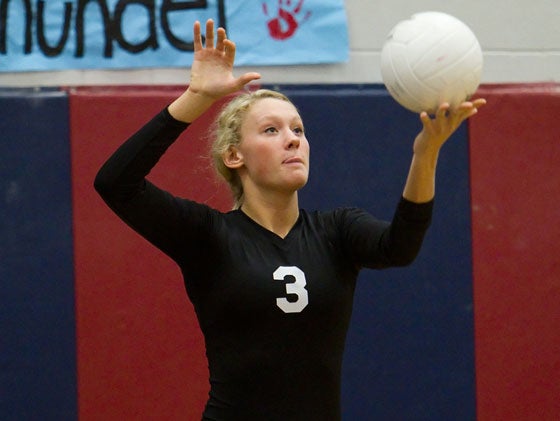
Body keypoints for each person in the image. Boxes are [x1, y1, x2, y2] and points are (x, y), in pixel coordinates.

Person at [94, 19, 485, 421]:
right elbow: (115, 183)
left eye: (298, 129)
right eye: (271, 130)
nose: (293, 138)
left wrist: (426, 152)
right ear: (234, 156)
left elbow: (400, 247)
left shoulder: (337, 231)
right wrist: (195, 98)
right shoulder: (209, 236)